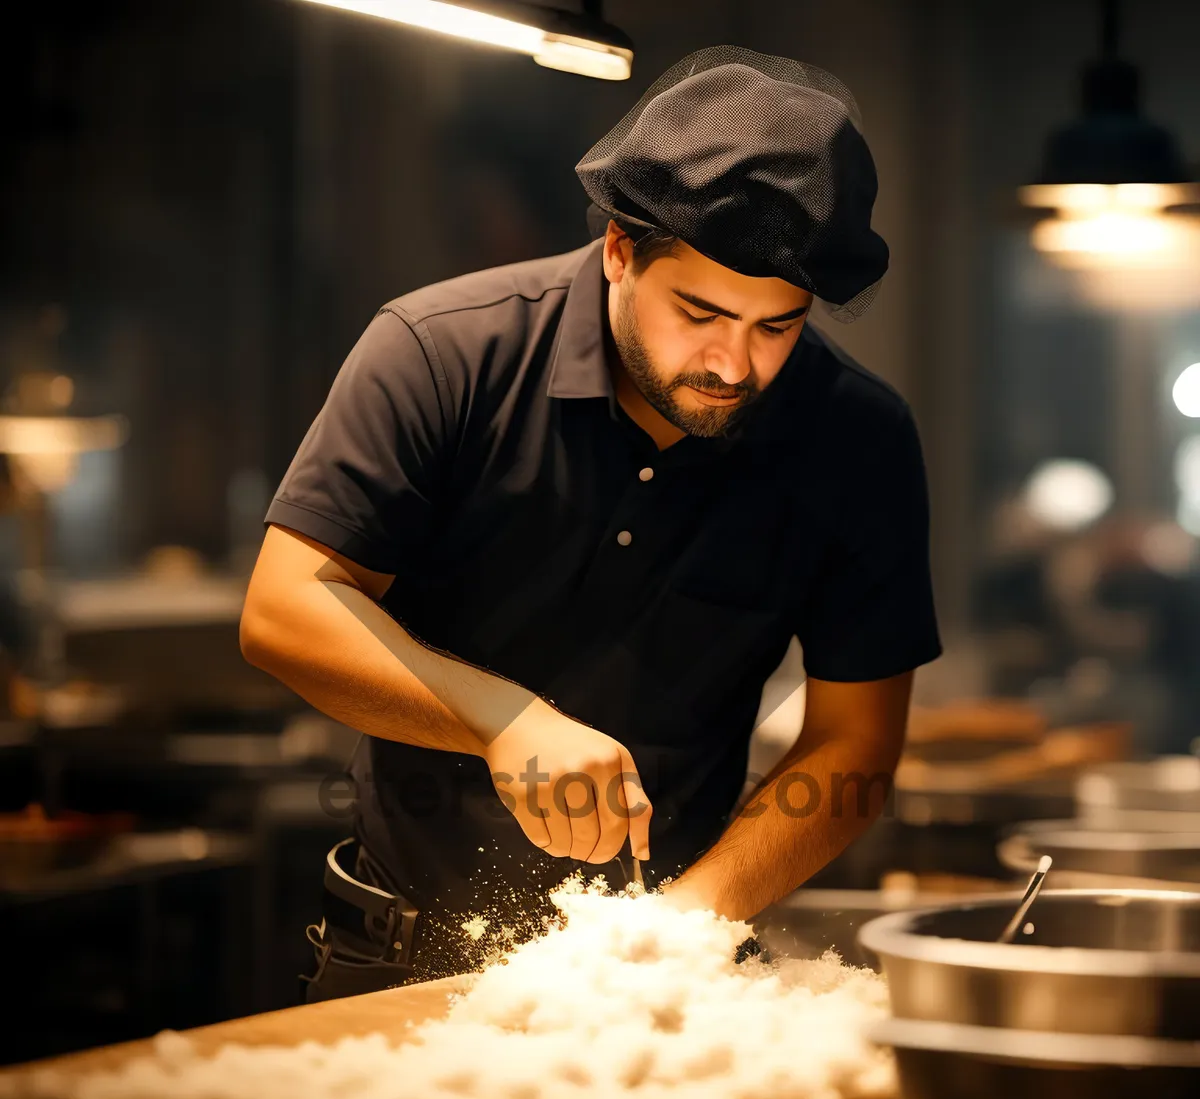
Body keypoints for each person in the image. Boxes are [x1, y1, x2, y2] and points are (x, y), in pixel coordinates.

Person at [240, 47, 942, 1001]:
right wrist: (504, 722)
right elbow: (285, 610)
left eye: (774, 327)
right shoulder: (441, 354)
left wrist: (682, 932)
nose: (733, 365)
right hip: (396, 956)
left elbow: (855, 745)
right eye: (699, 312)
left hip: (670, 977)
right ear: (620, 249)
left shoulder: (855, 437)